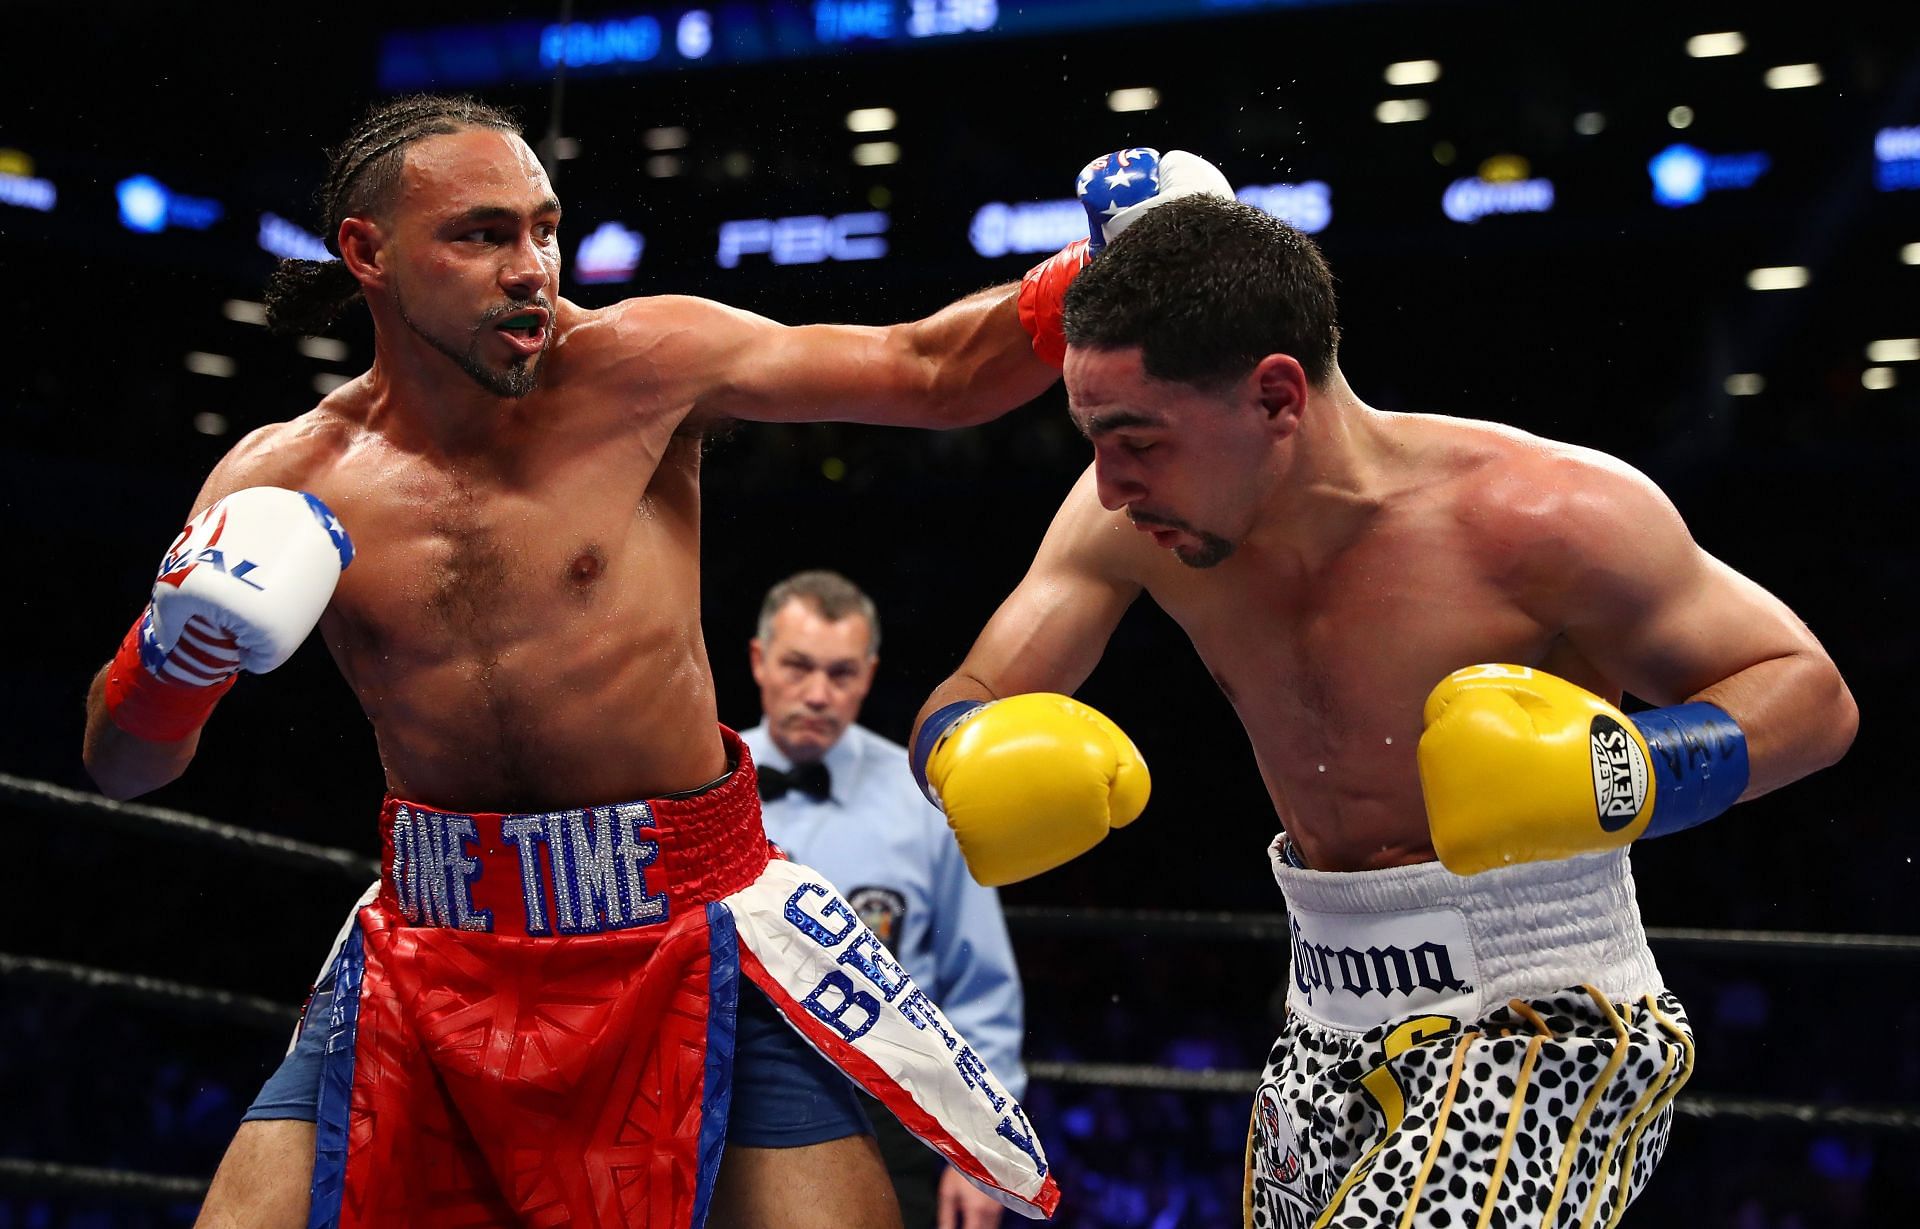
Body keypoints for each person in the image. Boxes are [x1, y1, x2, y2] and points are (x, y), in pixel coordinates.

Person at [77, 97, 1224, 1229]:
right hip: (434, 948)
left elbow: (929, 370)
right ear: (367, 253)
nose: (530, 265)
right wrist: (170, 658)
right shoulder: (284, 477)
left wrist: (1103, 269)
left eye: (544, 226)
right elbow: (126, 767)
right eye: (480, 234)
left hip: (694, 925)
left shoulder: (641, 364)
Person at [906, 188, 1857, 1226]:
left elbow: (1810, 694)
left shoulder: (1541, 515)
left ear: (1277, 396)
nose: (1110, 480)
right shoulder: (1128, 520)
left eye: (1137, 438)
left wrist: (1624, 770)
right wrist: (961, 751)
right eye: (1093, 436)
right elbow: (975, 690)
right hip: (1321, 1012)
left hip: (1539, 1015)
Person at [742, 570, 1025, 1229]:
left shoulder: (924, 799)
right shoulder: (700, 781)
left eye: (841, 673)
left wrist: (984, 1154)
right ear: (759, 661)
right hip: (732, 1099)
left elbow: (980, 983)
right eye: (798, 666)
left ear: (868, 675)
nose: (818, 693)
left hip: (893, 1105)